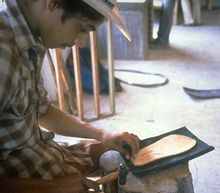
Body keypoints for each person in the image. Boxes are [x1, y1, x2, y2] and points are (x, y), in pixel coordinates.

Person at [0, 0, 140, 192]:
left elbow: (44, 111)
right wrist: (51, 188)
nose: (81, 42)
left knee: (119, 150)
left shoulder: (33, 37)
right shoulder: (4, 56)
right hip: (22, 179)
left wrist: (102, 135)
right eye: (81, 28)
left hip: (41, 153)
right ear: (52, 3)